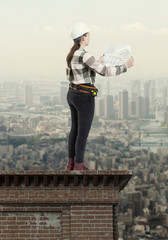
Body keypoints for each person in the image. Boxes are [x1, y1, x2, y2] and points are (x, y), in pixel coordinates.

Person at [65, 22, 134, 170]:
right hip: (84, 96)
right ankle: (79, 165)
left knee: (74, 130)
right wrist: (125, 67)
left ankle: (71, 163)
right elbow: (105, 72)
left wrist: (98, 61)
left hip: (72, 93)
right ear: (83, 37)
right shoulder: (85, 55)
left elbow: (82, 72)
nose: (90, 38)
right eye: (88, 35)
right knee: (83, 133)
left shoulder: (72, 55)